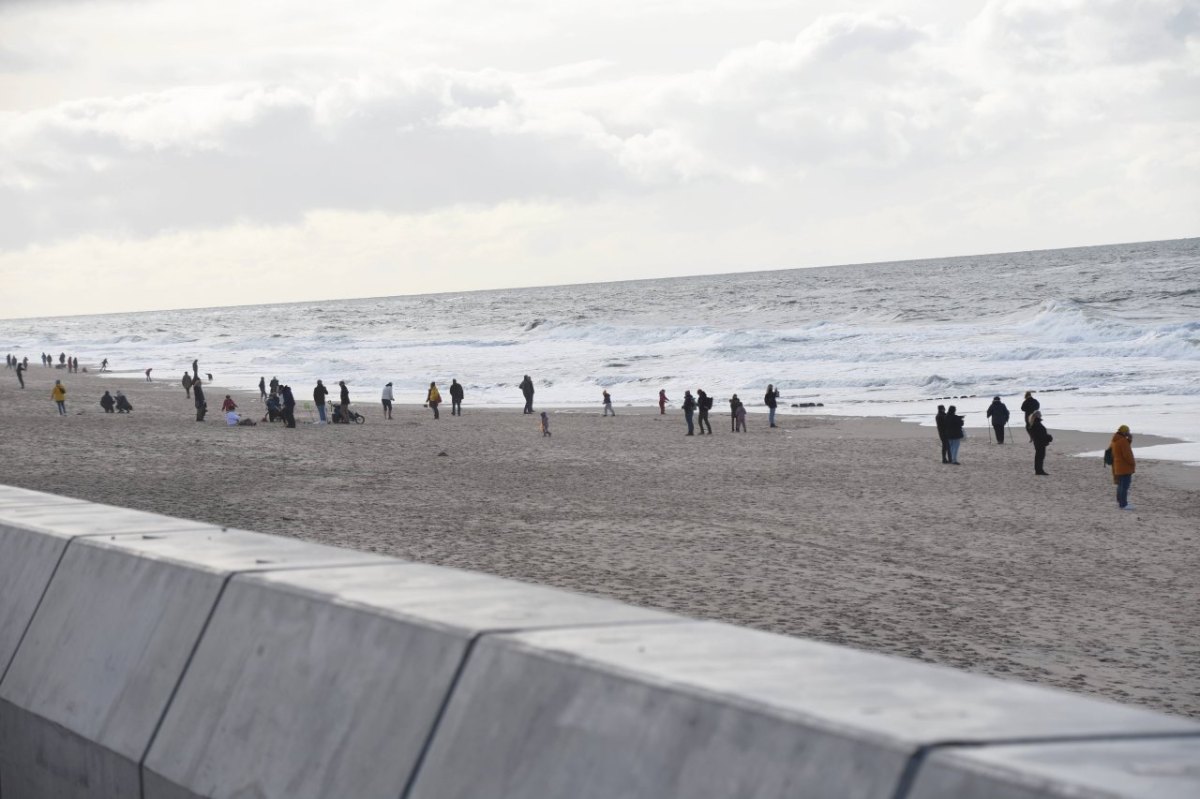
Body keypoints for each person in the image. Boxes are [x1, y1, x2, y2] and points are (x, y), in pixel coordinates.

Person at [1110, 425, 1135, 509]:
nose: (1129, 432)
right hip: (1125, 467)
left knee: (1120, 485)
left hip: (1118, 465)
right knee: (1124, 486)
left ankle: (1120, 502)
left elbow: (1122, 448)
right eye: (1128, 431)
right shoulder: (1123, 441)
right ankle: (1123, 504)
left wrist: (1129, 440)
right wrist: (1132, 463)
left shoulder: (1115, 439)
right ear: (1125, 432)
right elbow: (1127, 454)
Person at [1028, 410, 1052, 475]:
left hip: (1038, 442)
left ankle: (1039, 470)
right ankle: (1039, 470)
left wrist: (1047, 437)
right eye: (1040, 414)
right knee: (1040, 457)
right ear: (1037, 415)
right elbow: (1041, 435)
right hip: (1040, 442)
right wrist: (1049, 437)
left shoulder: (1034, 423)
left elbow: (1039, 434)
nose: (1041, 415)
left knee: (1039, 456)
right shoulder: (1037, 424)